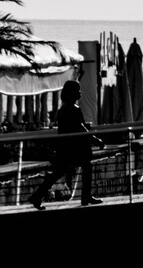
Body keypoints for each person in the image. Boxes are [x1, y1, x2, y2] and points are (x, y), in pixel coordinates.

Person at [30, 80, 103, 210]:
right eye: (78, 89)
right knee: (86, 166)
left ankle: (37, 196)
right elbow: (80, 129)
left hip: (64, 148)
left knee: (57, 173)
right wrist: (96, 140)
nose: (80, 92)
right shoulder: (74, 109)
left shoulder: (62, 110)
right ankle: (86, 196)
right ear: (73, 93)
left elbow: (72, 127)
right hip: (73, 149)